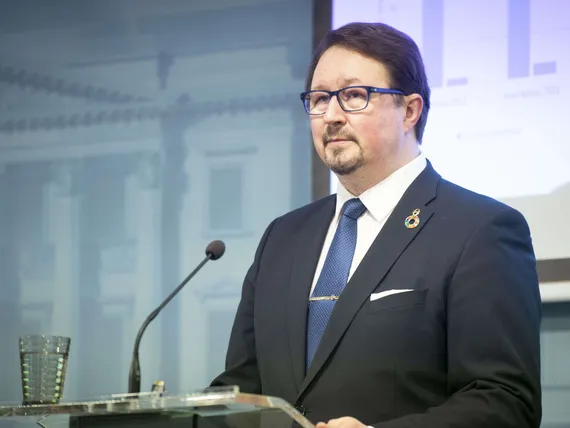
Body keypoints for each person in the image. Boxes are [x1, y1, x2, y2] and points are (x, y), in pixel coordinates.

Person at [210, 22, 542, 428]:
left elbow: (506, 403)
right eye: (319, 99)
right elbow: (240, 391)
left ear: (410, 111)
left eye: (353, 96)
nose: (331, 116)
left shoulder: (481, 230)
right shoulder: (282, 237)